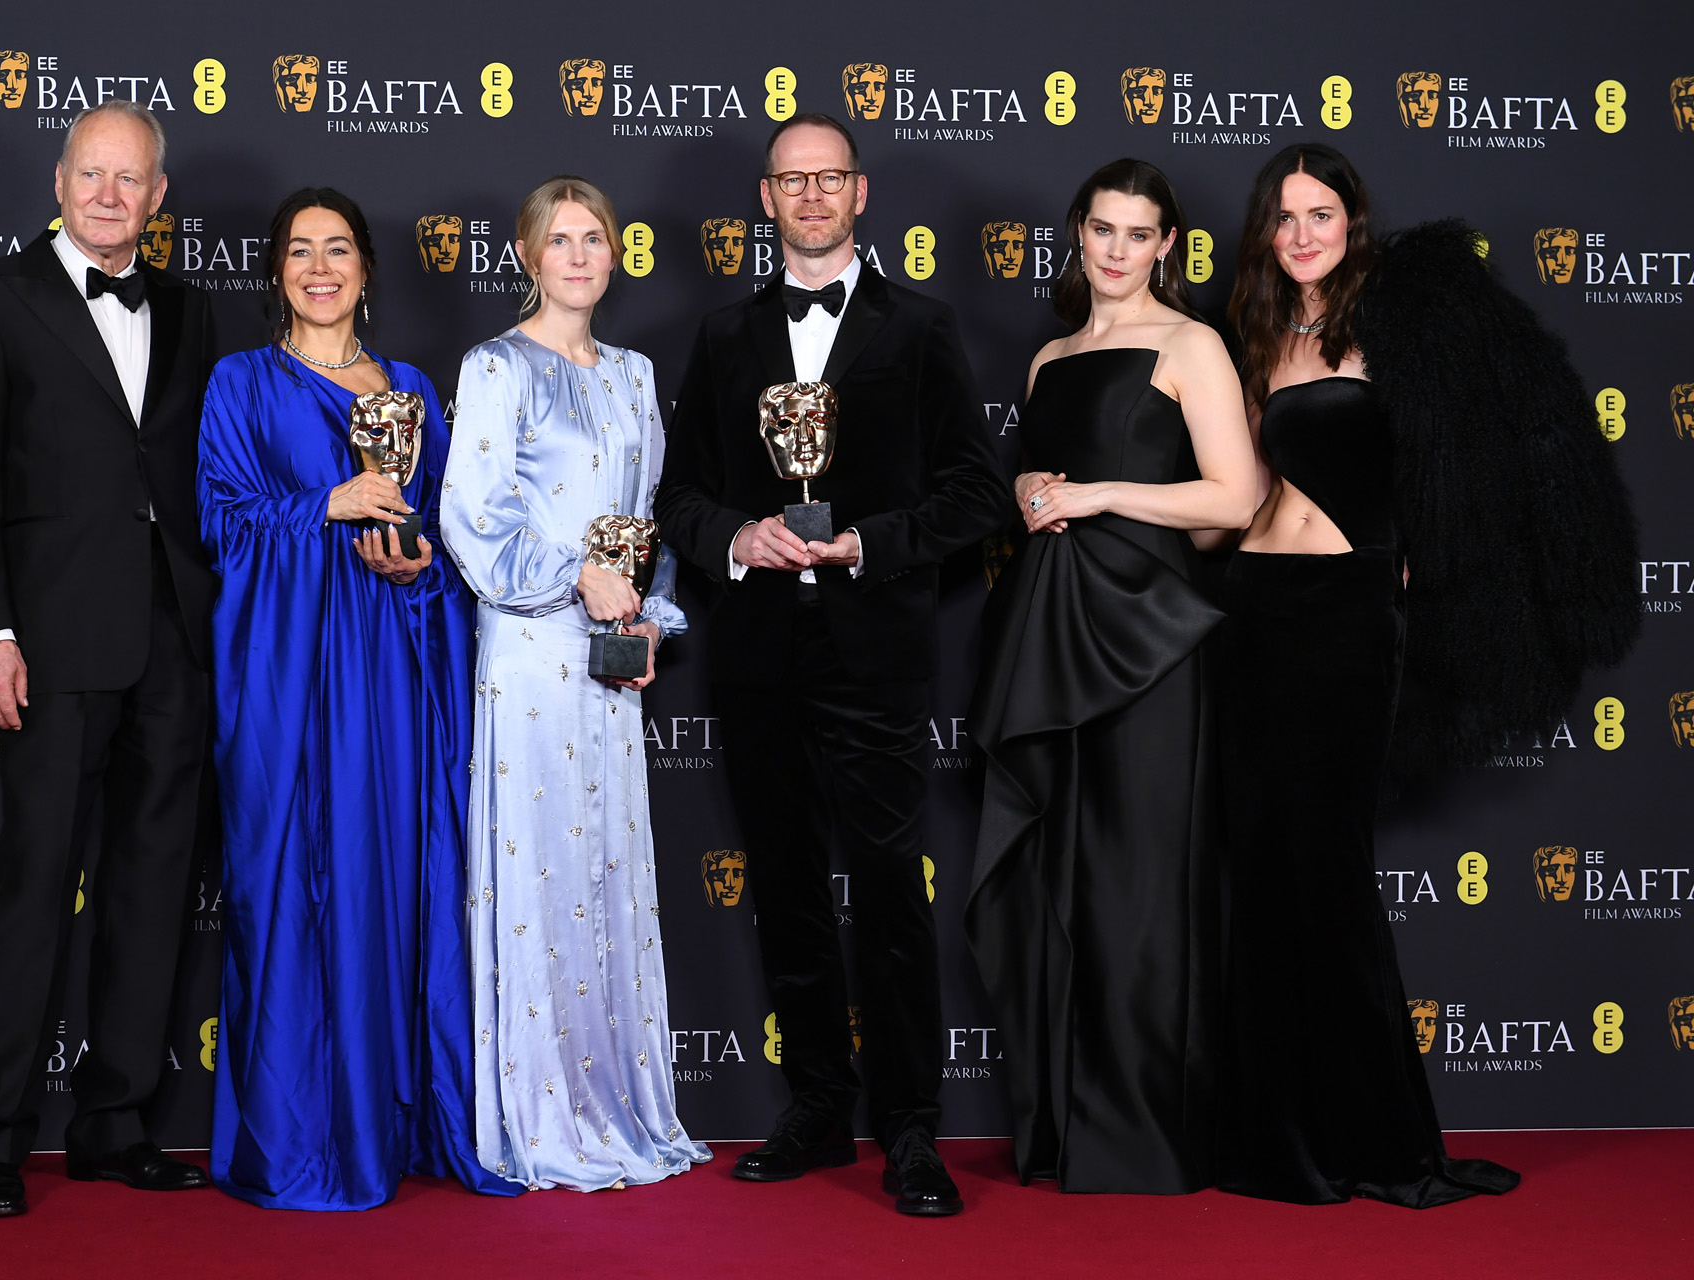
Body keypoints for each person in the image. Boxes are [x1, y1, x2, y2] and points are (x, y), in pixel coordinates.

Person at [1214, 142, 1636, 1207]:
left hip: (1351, 618)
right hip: (1254, 611)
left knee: (1331, 872)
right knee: (1260, 870)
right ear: (1266, 231)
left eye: (1322, 213)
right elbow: (1240, 486)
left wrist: (1422, 544)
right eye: (1285, 217)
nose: (1303, 233)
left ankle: (1379, 1137)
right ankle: (1276, 1134)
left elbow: (1478, 446)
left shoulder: (1403, 322)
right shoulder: (1259, 335)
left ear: (1354, 219)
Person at [656, 114, 1011, 1217]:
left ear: (861, 194)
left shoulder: (924, 326)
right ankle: (816, 1103)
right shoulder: (721, 336)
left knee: (894, 895)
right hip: (759, 652)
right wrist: (734, 538)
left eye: (830, 179)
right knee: (790, 890)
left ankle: (910, 1127)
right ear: (764, 199)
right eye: (790, 180)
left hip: (875, 654)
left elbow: (975, 493)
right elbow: (681, 496)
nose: (810, 196)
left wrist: (870, 542)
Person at [199, 188, 513, 1209]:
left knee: (392, 878)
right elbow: (222, 524)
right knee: (289, 882)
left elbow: (444, 548)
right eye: (300, 250)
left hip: (391, 669)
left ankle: (398, 1118)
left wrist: (411, 564)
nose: (320, 267)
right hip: (292, 675)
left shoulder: (415, 386)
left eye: (338, 249)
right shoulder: (240, 382)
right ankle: (299, 1138)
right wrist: (327, 501)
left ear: (368, 269)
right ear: (277, 270)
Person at [0, 100, 217, 1218]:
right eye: (91, 174)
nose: (109, 194)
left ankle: (112, 1120)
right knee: (36, 885)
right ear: (59, 182)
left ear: (159, 197)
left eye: (131, 178)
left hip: (176, 646)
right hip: (46, 646)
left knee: (152, 893)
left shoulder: (196, 311)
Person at [963, 158, 1255, 1195]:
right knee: (1059, 882)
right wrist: (1037, 488)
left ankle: (1144, 1133)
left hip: (1154, 641)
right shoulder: (1047, 358)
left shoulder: (1191, 344)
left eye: (1139, 233)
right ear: (1078, 233)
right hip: (1051, 636)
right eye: (1102, 229)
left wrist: (1098, 494)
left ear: (1168, 244)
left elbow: (1235, 498)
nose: (1118, 250)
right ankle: (1061, 1127)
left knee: (1140, 884)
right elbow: (1046, 489)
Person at [442, 175, 710, 1192]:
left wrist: (646, 612)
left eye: (594, 238)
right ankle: (540, 1113)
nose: (580, 255)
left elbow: (646, 520)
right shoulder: (495, 366)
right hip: (530, 647)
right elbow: (472, 515)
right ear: (527, 256)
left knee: (604, 866)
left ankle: (614, 1103)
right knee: (538, 875)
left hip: (609, 658)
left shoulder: (636, 374)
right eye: (560, 240)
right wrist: (575, 582)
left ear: (615, 254)